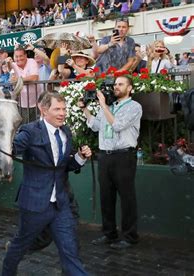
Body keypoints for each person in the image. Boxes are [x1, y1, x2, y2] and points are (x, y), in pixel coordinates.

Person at [2, 92, 92, 276]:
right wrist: (4, 145)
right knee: (19, 247)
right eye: (57, 109)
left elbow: (63, 166)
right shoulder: (30, 130)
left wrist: (80, 158)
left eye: (64, 109)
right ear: (43, 110)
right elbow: (13, 149)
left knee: (70, 252)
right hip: (35, 204)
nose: (62, 113)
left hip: (60, 205)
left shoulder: (66, 132)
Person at [79, 75, 142, 249]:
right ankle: (109, 234)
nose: (116, 87)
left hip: (123, 156)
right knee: (106, 197)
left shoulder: (134, 107)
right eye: (115, 84)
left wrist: (103, 105)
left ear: (129, 88)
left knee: (127, 198)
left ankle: (130, 237)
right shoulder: (109, 106)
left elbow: (118, 125)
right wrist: (85, 109)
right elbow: (96, 126)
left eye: (121, 84)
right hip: (105, 156)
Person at [7, 45, 41, 122]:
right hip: (22, 104)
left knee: (37, 127)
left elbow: (34, 77)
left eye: (21, 56)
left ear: (25, 56)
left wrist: (19, 80)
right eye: (16, 56)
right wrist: (8, 63)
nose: (19, 58)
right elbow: (11, 75)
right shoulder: (13, 65)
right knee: (25, 128)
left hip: (37, 103)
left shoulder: (31, 61)